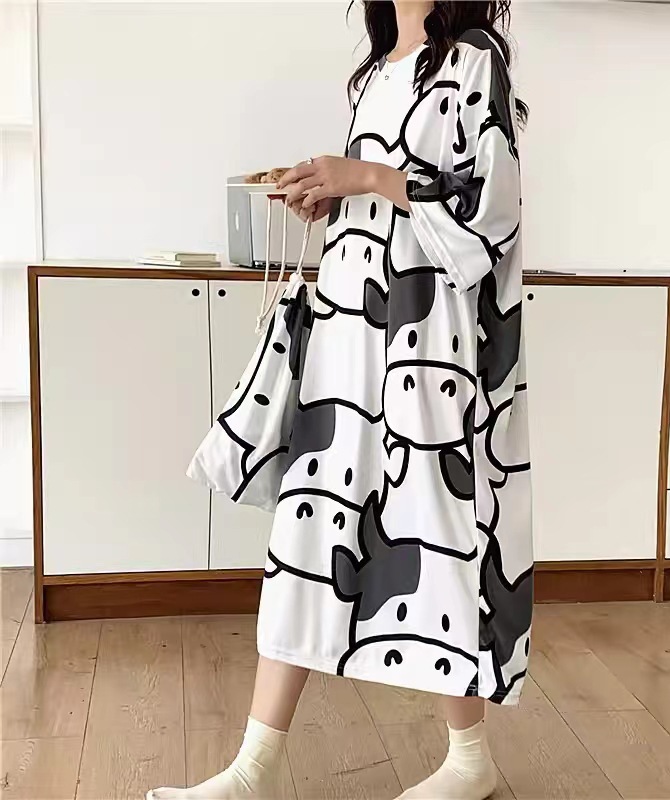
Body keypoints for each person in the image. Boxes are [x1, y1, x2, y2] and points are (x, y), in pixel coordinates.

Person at [148, 1, 531, 798]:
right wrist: (330, 196)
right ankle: (254, 767)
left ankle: (470, 759)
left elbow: (490, 212)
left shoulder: (472, 60)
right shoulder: (376, 74)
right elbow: (394, 198)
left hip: (425, 342)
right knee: (309, 524)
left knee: (437, 527)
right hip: (348, 328)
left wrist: (364, 176)